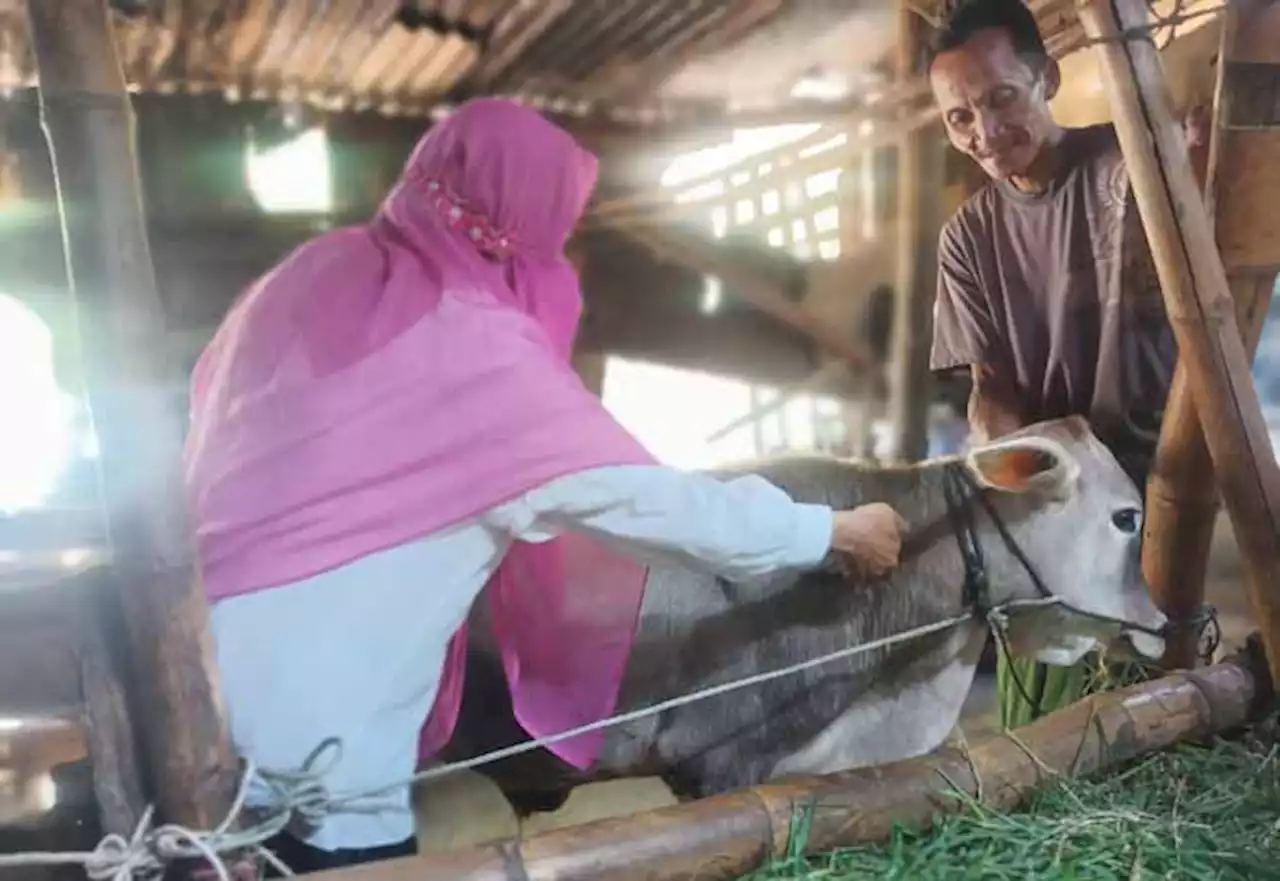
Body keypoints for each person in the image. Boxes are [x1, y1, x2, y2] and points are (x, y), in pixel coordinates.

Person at [183, 98, 907, 874]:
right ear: (513, 223)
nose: (563, 259)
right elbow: (660, 505)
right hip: (321, 773)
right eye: (558, 231)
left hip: (187, 706)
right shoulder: (478, 355)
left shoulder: (310, 277)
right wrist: (830, 531)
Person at [924, 0, 1207, 725]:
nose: (985, 132)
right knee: (1041, 719)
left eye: (1001, 100)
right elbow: (994, 384)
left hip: (1159, 481)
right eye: (960, 118)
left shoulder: (1130, 165)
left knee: (1146, 698)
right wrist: (1003, 461)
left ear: (1045, 77)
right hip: (1053, 500)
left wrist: (1195, 160)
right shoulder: (969, 236)